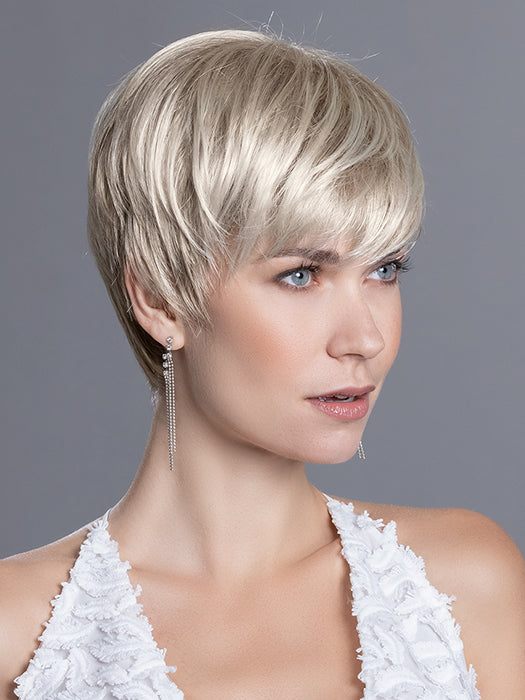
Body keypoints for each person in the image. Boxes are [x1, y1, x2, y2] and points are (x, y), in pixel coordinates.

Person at [1, 29, 524, 699]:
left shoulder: (465, 585)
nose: (365, 338)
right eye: (301, 274)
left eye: (385, 269)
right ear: (160, 297)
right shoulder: (19, 635)